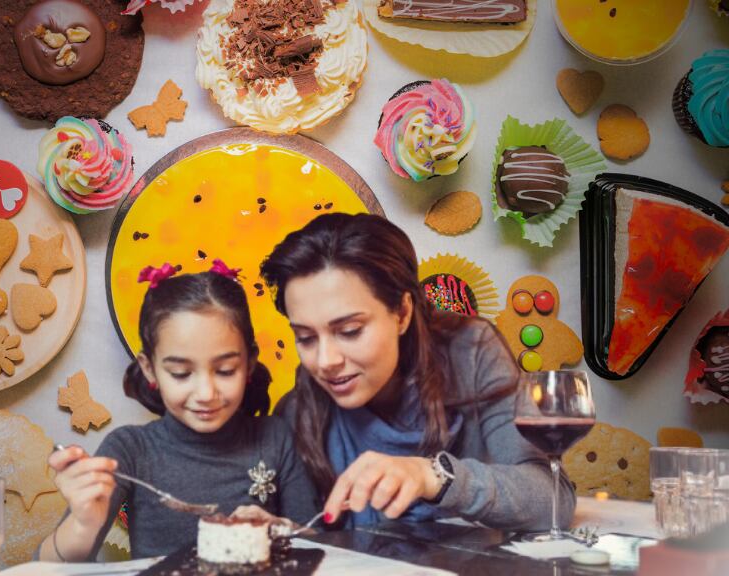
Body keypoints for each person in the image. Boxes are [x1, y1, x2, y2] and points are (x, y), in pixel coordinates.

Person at [259, 213, 575, 530]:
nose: (325, 360)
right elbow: (306, 534)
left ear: (402, 313)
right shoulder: (298, 411)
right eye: (306, 337)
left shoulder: (471, 352)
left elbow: (552, 499)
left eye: (350, 330)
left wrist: (432, 475)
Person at [39, 260, 316, 561]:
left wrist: (280, 530)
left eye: (225, 370)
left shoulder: (275, 438)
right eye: (182, 374)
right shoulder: (130, 450)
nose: (206, 393)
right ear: (150, 369)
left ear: (249, 363)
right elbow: (49, 567)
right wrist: (82, 524)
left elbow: (322, 549)